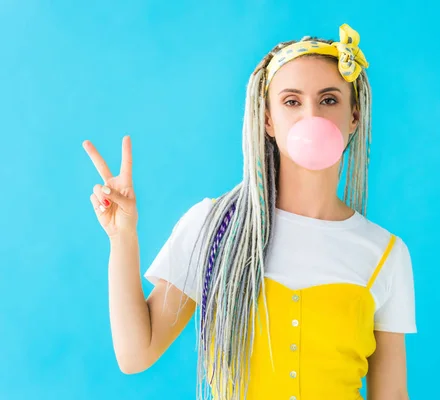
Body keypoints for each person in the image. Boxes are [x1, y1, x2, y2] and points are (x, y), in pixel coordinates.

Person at [83, 23, 417, 400]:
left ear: (354, 116)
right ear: (269, 120)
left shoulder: (387, 253)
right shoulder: (214, 226)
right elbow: (135, 354)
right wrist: (122, 237)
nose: (312, 116)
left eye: (329, 100)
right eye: (292, 101)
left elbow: (391, 395)